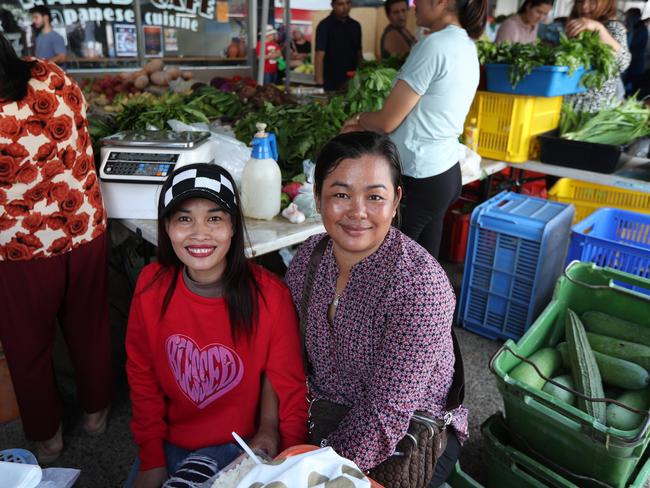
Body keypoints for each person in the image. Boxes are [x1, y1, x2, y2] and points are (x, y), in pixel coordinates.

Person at [284, 132, 466, 487]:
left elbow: (386, 415)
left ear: (396, 200)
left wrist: (313, 473)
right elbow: (283, 355)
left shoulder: (419, 286)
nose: (357, 212)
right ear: (318, 198)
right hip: (320, 415)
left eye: (374, 197)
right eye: (340, 194)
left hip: (406, 435)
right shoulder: (309, 257)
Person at [125, 163, 307, 488]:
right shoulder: (150, 287)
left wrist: (288, 461)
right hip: (167, 443)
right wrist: (152, 458)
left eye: (214, 218)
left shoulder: (270, 296)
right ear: (166, 227)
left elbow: (288, 387)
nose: (199, 232)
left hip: (240, 446)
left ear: (233, 226)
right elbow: (142, 375)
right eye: (184, 218)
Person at [0, 33, 111, 463]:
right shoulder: (50, 73)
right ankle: (97, 414)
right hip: (84, 227)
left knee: (27, 345)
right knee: (90, 324)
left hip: (22, 250)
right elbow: (83, 123)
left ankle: (48, 438)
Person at [341, 0, 487, 259]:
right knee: (423, 274)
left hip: (420, 178)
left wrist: (359, 119)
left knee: (388, 273)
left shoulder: (434, 45)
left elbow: (387, 121)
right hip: (444, 173)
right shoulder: (466, 45)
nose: (413, 5)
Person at [565, 0, 631, 112]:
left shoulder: (612, 27)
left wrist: (599, 29)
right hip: (569, 106)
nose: (585, 7)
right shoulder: (580, 24)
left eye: (593, 1)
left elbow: (623, 61)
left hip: (590, 111)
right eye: (581, 2)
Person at [314, 0, 362, 91]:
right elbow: (319, 55)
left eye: (348, 3)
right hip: (331, 80)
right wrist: (319, 84)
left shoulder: (355, 26)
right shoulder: (324, 26)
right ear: (332, 5)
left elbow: (359, 53)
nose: (345, 7)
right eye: (340, 4)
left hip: (352, 80)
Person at [623, 8, 648, 95]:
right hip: (634, 62)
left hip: (635, 63)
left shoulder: (640, 29)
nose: (626, 18)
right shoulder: (636, 27)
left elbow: (630, 45)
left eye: (628, 16)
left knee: (631, 86)